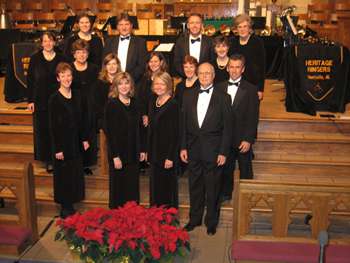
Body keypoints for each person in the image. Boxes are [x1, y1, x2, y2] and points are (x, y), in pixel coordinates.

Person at [180, 63, 231, 235]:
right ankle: (194, 219)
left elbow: (227, 128)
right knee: (194, 186)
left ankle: (211, 222)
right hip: (193, 149)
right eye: (201, 73)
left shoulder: (224, 97)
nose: (204, 76)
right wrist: (183, 147)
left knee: (213, 188)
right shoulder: (187, 95)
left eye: (207, 73)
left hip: (214, 151)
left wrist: (223, 152)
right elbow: (183, 125)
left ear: (214, 75)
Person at [48, 62, 89, 218]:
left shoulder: (77, 95)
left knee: (74, 173)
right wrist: (58, 148)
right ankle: (65, 207)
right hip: (62, 145)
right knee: (63, 176)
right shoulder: (54, 99)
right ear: (58, 78)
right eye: (63, 75)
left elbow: (83, 119)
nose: (67, 78)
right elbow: (53, 127)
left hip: (76, 142)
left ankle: (72, 203)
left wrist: (85, 138)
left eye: (69, 75)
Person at [217, 54, 259, 201]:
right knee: (225, 168)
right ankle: (225, 194)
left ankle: (248, 195)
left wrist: (248, 139)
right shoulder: (219, 87)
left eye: (238, 67)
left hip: (242, 138)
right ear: (228, 68)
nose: (234, 70)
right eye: (232, 67)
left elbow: (253, 117)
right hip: (225, 139)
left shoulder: (251, 89)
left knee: (245, 168)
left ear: (243, 69)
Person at [104, 72, 146, 208]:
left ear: (131, 85)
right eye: (120, 83)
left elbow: (140, 129)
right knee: (119, 189)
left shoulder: (135, 103)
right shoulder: (112, 105)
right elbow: (110, 133)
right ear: (115, 86)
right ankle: (118, 221)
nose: (124, 86)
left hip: (133, 153)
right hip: (119, 154)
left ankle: (132, 217)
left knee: (132, 188)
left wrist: (143, 149)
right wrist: (115, 156)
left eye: (126, 83)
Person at [27, 32, 66, 172]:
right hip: (40, 99)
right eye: (45, 41)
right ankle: (48, 159)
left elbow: (67, 78)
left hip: (58, 99)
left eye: (50, 40)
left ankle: (59, 156)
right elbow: (30, 80)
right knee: (43, 130)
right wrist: (30, 100)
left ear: (54, 42)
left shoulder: (62, 58)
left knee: (58, 128)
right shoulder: (35, 59)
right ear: (41, 43)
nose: (48, 43)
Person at [148, 72, 180, 208]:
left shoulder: (173, 105)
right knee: (155, 185)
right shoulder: (153, 101)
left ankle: (168, 217)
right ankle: (155, 213)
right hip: (154, 151)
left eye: (162, 83)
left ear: (168, 85)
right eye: (156, 83)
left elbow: (175, 133)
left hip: (167, 153)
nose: (159, 86)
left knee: (166, 186)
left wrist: (170, 157)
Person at [70, 39, 99, 174]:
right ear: (74, 54)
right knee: (76, 134)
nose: (82, 55)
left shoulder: (94, 68)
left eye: (84, 52)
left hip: (90, 106)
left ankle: (87, 164)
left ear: (88, 54)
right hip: (74, 106)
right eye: (78, 52)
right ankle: (76, 163)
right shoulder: (69, 68)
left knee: (89, 134)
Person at [103, 13, 148, 84]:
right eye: (121, 24)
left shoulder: (140, 42)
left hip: (133, 82)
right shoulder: (109, 42)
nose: (124, 28)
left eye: (127, 24)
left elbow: (142, 65)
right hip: (112, 82)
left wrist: (127, 80)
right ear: (117, 27)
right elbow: (105, 62)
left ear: (131, 26)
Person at [230, 14, 266, 100]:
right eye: (240, 27)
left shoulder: (257, 42)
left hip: (253, 84)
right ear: (236, 29)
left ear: (249, 28)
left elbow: (262, 66)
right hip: (236, 83)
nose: (242, 29)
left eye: (245, 26)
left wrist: (260, 89)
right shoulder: (233, 42)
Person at [173, 13, 213, 77]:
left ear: (202, 25)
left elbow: (212, 61)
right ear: (188, 25)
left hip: (205, 79)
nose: (194, 25)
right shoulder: (180, 42)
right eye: (192, 23)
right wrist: (187, 74)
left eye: (197, 23)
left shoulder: (210, 41)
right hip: (187, 79)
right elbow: (177, 62)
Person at [92, 53, 121, 131]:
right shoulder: (98, 83)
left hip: (121, 119)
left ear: (118, 65)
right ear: (105, 67)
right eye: (108, 64)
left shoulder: (123, 81)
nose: (111, 67)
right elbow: (97, 105)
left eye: (114, 64)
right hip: (105, 121)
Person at [138, 51, 168, 127]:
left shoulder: (166, 78)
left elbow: (167, 101)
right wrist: (144, 115)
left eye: (155, 61)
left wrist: (151, 117)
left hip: (160, 116)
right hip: (145, 117)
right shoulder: (145, 78)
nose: (153, 64)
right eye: (150, 61)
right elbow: (141, 98)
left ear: (161, 62)